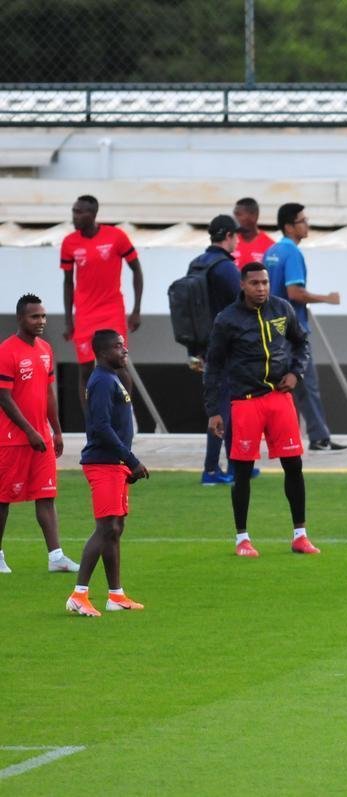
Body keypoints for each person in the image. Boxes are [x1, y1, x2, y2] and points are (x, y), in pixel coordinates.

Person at [204, 262, 320, 557]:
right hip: (245, 402)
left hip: (279, 400)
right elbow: (214, 366)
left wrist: (296, 373)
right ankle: (242, 538)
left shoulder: (282, 309)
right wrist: (214, 410)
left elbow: (301, 342)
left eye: (265, 282)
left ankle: (300, 535)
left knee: (293, 465)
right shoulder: (227, 319)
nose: (261, 288)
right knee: (241, 471)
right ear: (243, 285)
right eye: (255, 283)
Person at [65, 330, 149, 616]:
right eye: (118, 347)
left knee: (115, 529)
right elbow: (100, 426)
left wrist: (126, 463)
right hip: (103, 463)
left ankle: (116, 595)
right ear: (101, 353)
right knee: (105, 529)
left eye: (123, 345)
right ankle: (79, 595)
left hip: (115, 463)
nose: (124, 351)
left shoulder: (112, 378)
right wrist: (131, 459)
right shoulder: (101, 381)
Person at [0, 294, 78, 574]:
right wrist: (30, 431)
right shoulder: (6, 351)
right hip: (12, 440)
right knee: (2, 499)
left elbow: (48, 393)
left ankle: (56, 557)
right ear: (20, 318)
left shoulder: (45, 349)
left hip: (41, 438)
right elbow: (4, 398)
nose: (41, 321)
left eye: (43, 316)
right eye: (35, 316)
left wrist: (55, 430)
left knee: (46, 496)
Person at [264, 202, 347, 452]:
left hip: (271, 330)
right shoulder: (292, 254)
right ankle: (319, 437)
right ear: (290, 226)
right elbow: (295, 293)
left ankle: (273, 437)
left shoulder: (271, 251)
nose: (307, 224)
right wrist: (327, 298)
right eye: (302, 220)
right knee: (306, 385)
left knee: (275, 387)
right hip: (292, 332)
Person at [60, 194, 143, 410]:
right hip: (85, 314)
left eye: (80, 212)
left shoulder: (116, 236)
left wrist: (136, 310)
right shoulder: (69, 243)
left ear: (93, 214)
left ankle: (124, 412)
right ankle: (92, 421)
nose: (75, 216)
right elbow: (68, 283)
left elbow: (137, 270)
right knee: (86, 369)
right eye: (74, 211)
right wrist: (69, 320)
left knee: (119, 363)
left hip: (112, 310)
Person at [192, 215, 244, 486]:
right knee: (223, 409)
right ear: (228, 236)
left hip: (203, 344)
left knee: (223, 406)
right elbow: (244, 302)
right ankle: (212, 470)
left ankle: (235, 466)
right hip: (225, 346)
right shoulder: (224, 268)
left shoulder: (197, 264)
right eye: (235, 235)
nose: (237, 240)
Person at [232, 197, 275, 270]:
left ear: (254, 216)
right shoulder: (230, 242)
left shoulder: (270, 246)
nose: (234, 218)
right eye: (234, 215)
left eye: (238, 215)